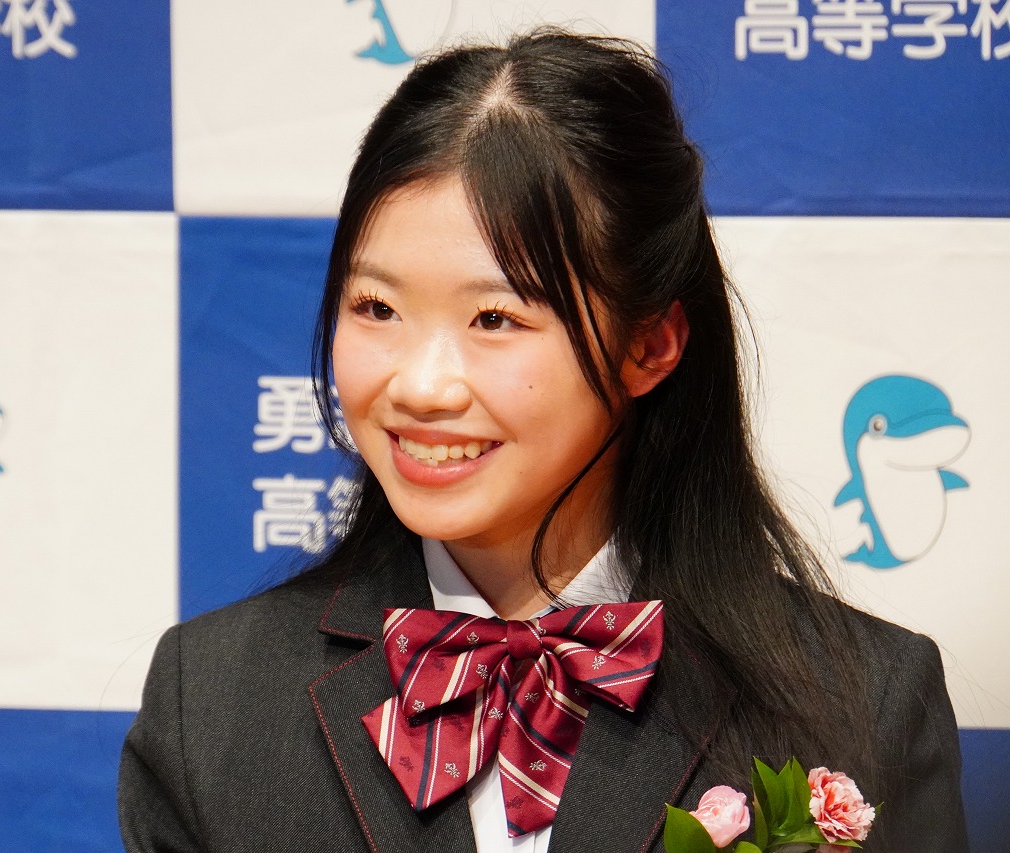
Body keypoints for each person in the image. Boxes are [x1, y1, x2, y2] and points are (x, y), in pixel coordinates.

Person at [118, 30, 968, 853]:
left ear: (649, 345)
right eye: (376, 307)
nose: (421, 385)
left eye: (494, 318)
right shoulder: (214, 702)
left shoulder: (863, 701)